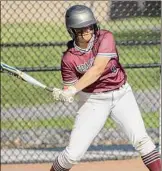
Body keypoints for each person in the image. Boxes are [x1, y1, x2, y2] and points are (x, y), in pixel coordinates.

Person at [50, 4, 161, 171]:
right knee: (72, 155)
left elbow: (97, 69)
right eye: (80, 28)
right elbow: (70, 87)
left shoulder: (105, 37)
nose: (87, 30)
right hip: (93, 101)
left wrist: (73, 89)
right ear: (72, 30)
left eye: (89, 26)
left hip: (121, 94)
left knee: (141, 140)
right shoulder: (68, 58)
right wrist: (65, 93)